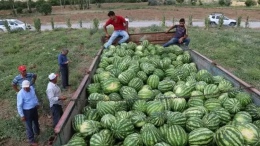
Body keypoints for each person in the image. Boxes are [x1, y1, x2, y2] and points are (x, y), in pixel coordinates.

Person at [17, 80, 40, 146]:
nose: (26, 89)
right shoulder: (20, 94)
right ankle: (31, 140)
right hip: (27, 111)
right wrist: (22, 115)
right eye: (25, 88)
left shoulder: (32, 88)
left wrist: (37, 103)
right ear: (23, 87)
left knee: (36, 121)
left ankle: (37, 131)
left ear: (29, 86)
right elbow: (19, 105)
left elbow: (34, 96)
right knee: (29, 126)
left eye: (27, 87)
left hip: (34, 109)